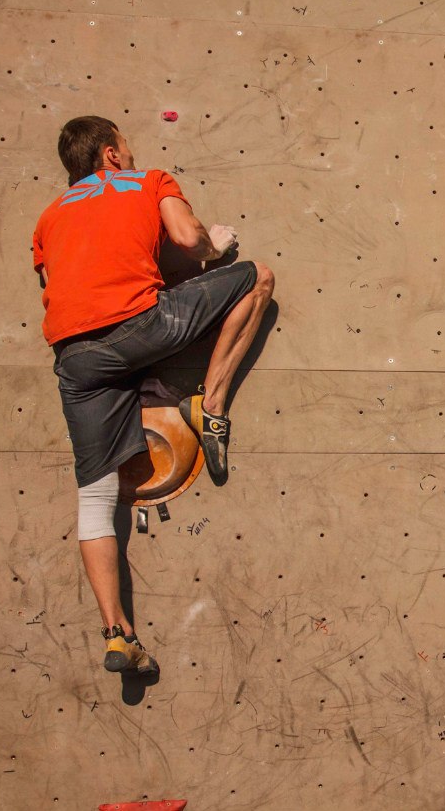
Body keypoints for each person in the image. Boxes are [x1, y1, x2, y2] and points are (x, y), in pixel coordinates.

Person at [32, 116, 274, 675]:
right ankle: (210, 405)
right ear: (112, 154)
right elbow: (189, 241)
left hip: (76, 359)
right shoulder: (148, 181)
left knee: (95, 497)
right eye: (127, 147)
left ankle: (118, 632)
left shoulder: (48, 216)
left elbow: (58, 284)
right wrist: (215, 246)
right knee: (257, 275)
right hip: (141, 326)